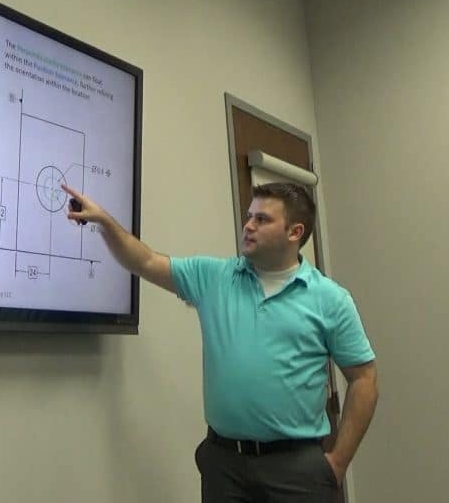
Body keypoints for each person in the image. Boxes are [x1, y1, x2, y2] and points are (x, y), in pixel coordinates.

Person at [62, 181, 377, 502]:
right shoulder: (214, 277)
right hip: (225, 466)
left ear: (295, 232)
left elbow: (364, 380)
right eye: (249, 216)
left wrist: (338, 462)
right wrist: (104, 222)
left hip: (297, 469)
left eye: (262, 219)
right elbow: (144, 261)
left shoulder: (330, 299)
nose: (249, 225)